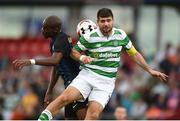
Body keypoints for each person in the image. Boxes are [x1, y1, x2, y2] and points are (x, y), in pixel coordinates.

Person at [37, 8, 168, 120]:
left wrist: (150, 70)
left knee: (92, 115)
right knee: (65, 97)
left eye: (108, 20)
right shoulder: (90, 36)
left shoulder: (121, 36)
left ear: (112, 20)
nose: (106, 24)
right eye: (102, 21)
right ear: (98, 22)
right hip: (87, 76)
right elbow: (73, 52)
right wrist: (82, 57)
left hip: (106, 82)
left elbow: (134, 53)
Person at [13, 15, 88, 120]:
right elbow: (56, 65)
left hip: (77, 85)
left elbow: (55, 60)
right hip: (70, 86)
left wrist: (31, 61)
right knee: (70, 118)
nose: (42, 30)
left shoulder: (62, 39)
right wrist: (49, 90)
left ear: (55, 29)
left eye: (45, 28)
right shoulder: (54, 41)